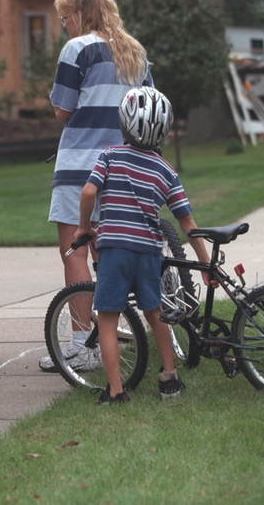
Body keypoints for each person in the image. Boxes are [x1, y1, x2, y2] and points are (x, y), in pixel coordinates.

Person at [40, 0, 154, 372]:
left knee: (75, 250)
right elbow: (148, 106)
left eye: (63, 18)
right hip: (125, 166)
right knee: (111, 251)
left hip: (81, 165)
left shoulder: (78, 49)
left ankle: (81, 344)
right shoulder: (135, 50)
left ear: (78, 15)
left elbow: (63, 110)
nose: (63, 26)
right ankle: (113, 332)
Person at [74, 87, 212, 403]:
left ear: (124, 124)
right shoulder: (167, 170)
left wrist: (85, 227)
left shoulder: (109, 156)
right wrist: (204, 265)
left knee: (107, 318)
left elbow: (87, 193)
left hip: (115, 250)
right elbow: (187, 222)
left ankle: (116, 391)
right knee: (156, 312)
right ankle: (170, 379)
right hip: (149, 250)